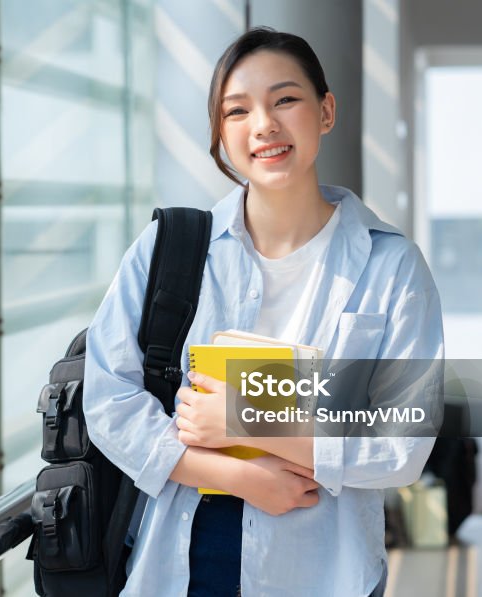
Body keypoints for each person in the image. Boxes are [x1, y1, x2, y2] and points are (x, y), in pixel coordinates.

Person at [82, 27, 443, 597]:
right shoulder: (170, 248)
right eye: (237, 111)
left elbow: (402, 445)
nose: (264, 125)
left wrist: (241, 416)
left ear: (325, 111)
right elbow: (107, 397)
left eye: (285, 100)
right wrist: (237, 475)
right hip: (178, 570)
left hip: (324, 575)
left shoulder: (392, 267)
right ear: (221, 133)